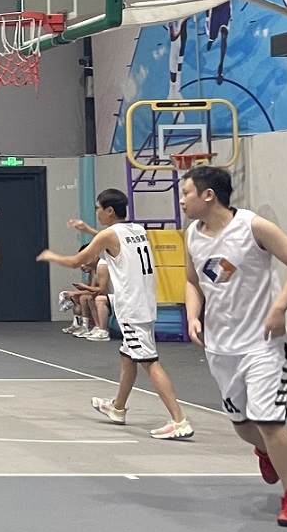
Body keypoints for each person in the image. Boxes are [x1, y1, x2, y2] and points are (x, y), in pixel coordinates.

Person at [181, 165, 287, 527]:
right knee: (242, 426)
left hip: (262, 345)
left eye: (187, 193)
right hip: (221, 347)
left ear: (208, 195)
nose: (182, 201)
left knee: (269, 421)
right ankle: (264, 451)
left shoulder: (254, 227)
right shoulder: (192, 235)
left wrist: (279, 307)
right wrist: (193, 315)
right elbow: (192, 281)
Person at [39, 189, 193, 440]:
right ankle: (118, 407)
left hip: (131, 308)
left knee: (149, 361)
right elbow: (111, 240)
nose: (97, 212)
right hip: (144, 303)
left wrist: (51, 256)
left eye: (98, 208)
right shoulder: (137, 229)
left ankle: (179, 420)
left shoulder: (109, 235)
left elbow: (77, 261)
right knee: (127, 356)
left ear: (109, 210)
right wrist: (89, 230)